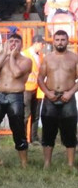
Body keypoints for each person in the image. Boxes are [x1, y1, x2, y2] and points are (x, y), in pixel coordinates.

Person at [0, 33, 32, 167]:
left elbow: (16, 73)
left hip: (15, 96)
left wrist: (11, 56)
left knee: (18, 131)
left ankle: (24, 163)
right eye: (11, 41)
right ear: (6, 43)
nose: (14, 44)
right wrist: (4, 54)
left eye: (17, 41)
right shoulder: (2, 58)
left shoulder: (26, 61)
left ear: (22, 44)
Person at [37, 30, 78, 168]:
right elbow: (40, 78)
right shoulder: (47, 58)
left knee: (70, 131)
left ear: (67, 41)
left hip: (68, 98)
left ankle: (70, 164)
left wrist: (70, 92)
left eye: (63, 39)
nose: (60, 42)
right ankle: (47, 163)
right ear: (53, 41)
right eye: (57, 39)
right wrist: (47, 93)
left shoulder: (74, 57)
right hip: (51, 98)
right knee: (48, 131)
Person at [21, 36, 45, 144]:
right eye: (41, 44)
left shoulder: (41, 56)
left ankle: (33, 137)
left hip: (37, 88)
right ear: (36, 43)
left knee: (35, 114)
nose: (43, 46)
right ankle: (23, 137)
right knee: (26, 114)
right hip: (26, 88)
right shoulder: (24, 54)